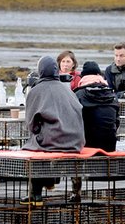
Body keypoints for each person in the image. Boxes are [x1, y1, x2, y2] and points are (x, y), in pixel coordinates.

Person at [22, 55, 84, 203]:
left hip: (55, 141)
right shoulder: (68, 90)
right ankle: (52, 183)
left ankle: (35, 194)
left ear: (40, 70)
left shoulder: (36, 91)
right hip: (76, 142)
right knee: (41, 140)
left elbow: (31, 124)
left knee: (33, 146)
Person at [72, 62, 120, 202]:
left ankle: (76, 193)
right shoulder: (112, 94)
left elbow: (73, 122)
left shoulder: (78, 94)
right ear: (99, 75)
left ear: (83, 76)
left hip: (86, 146)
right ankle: (109, 194)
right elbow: (116, 122)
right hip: (109, 145)